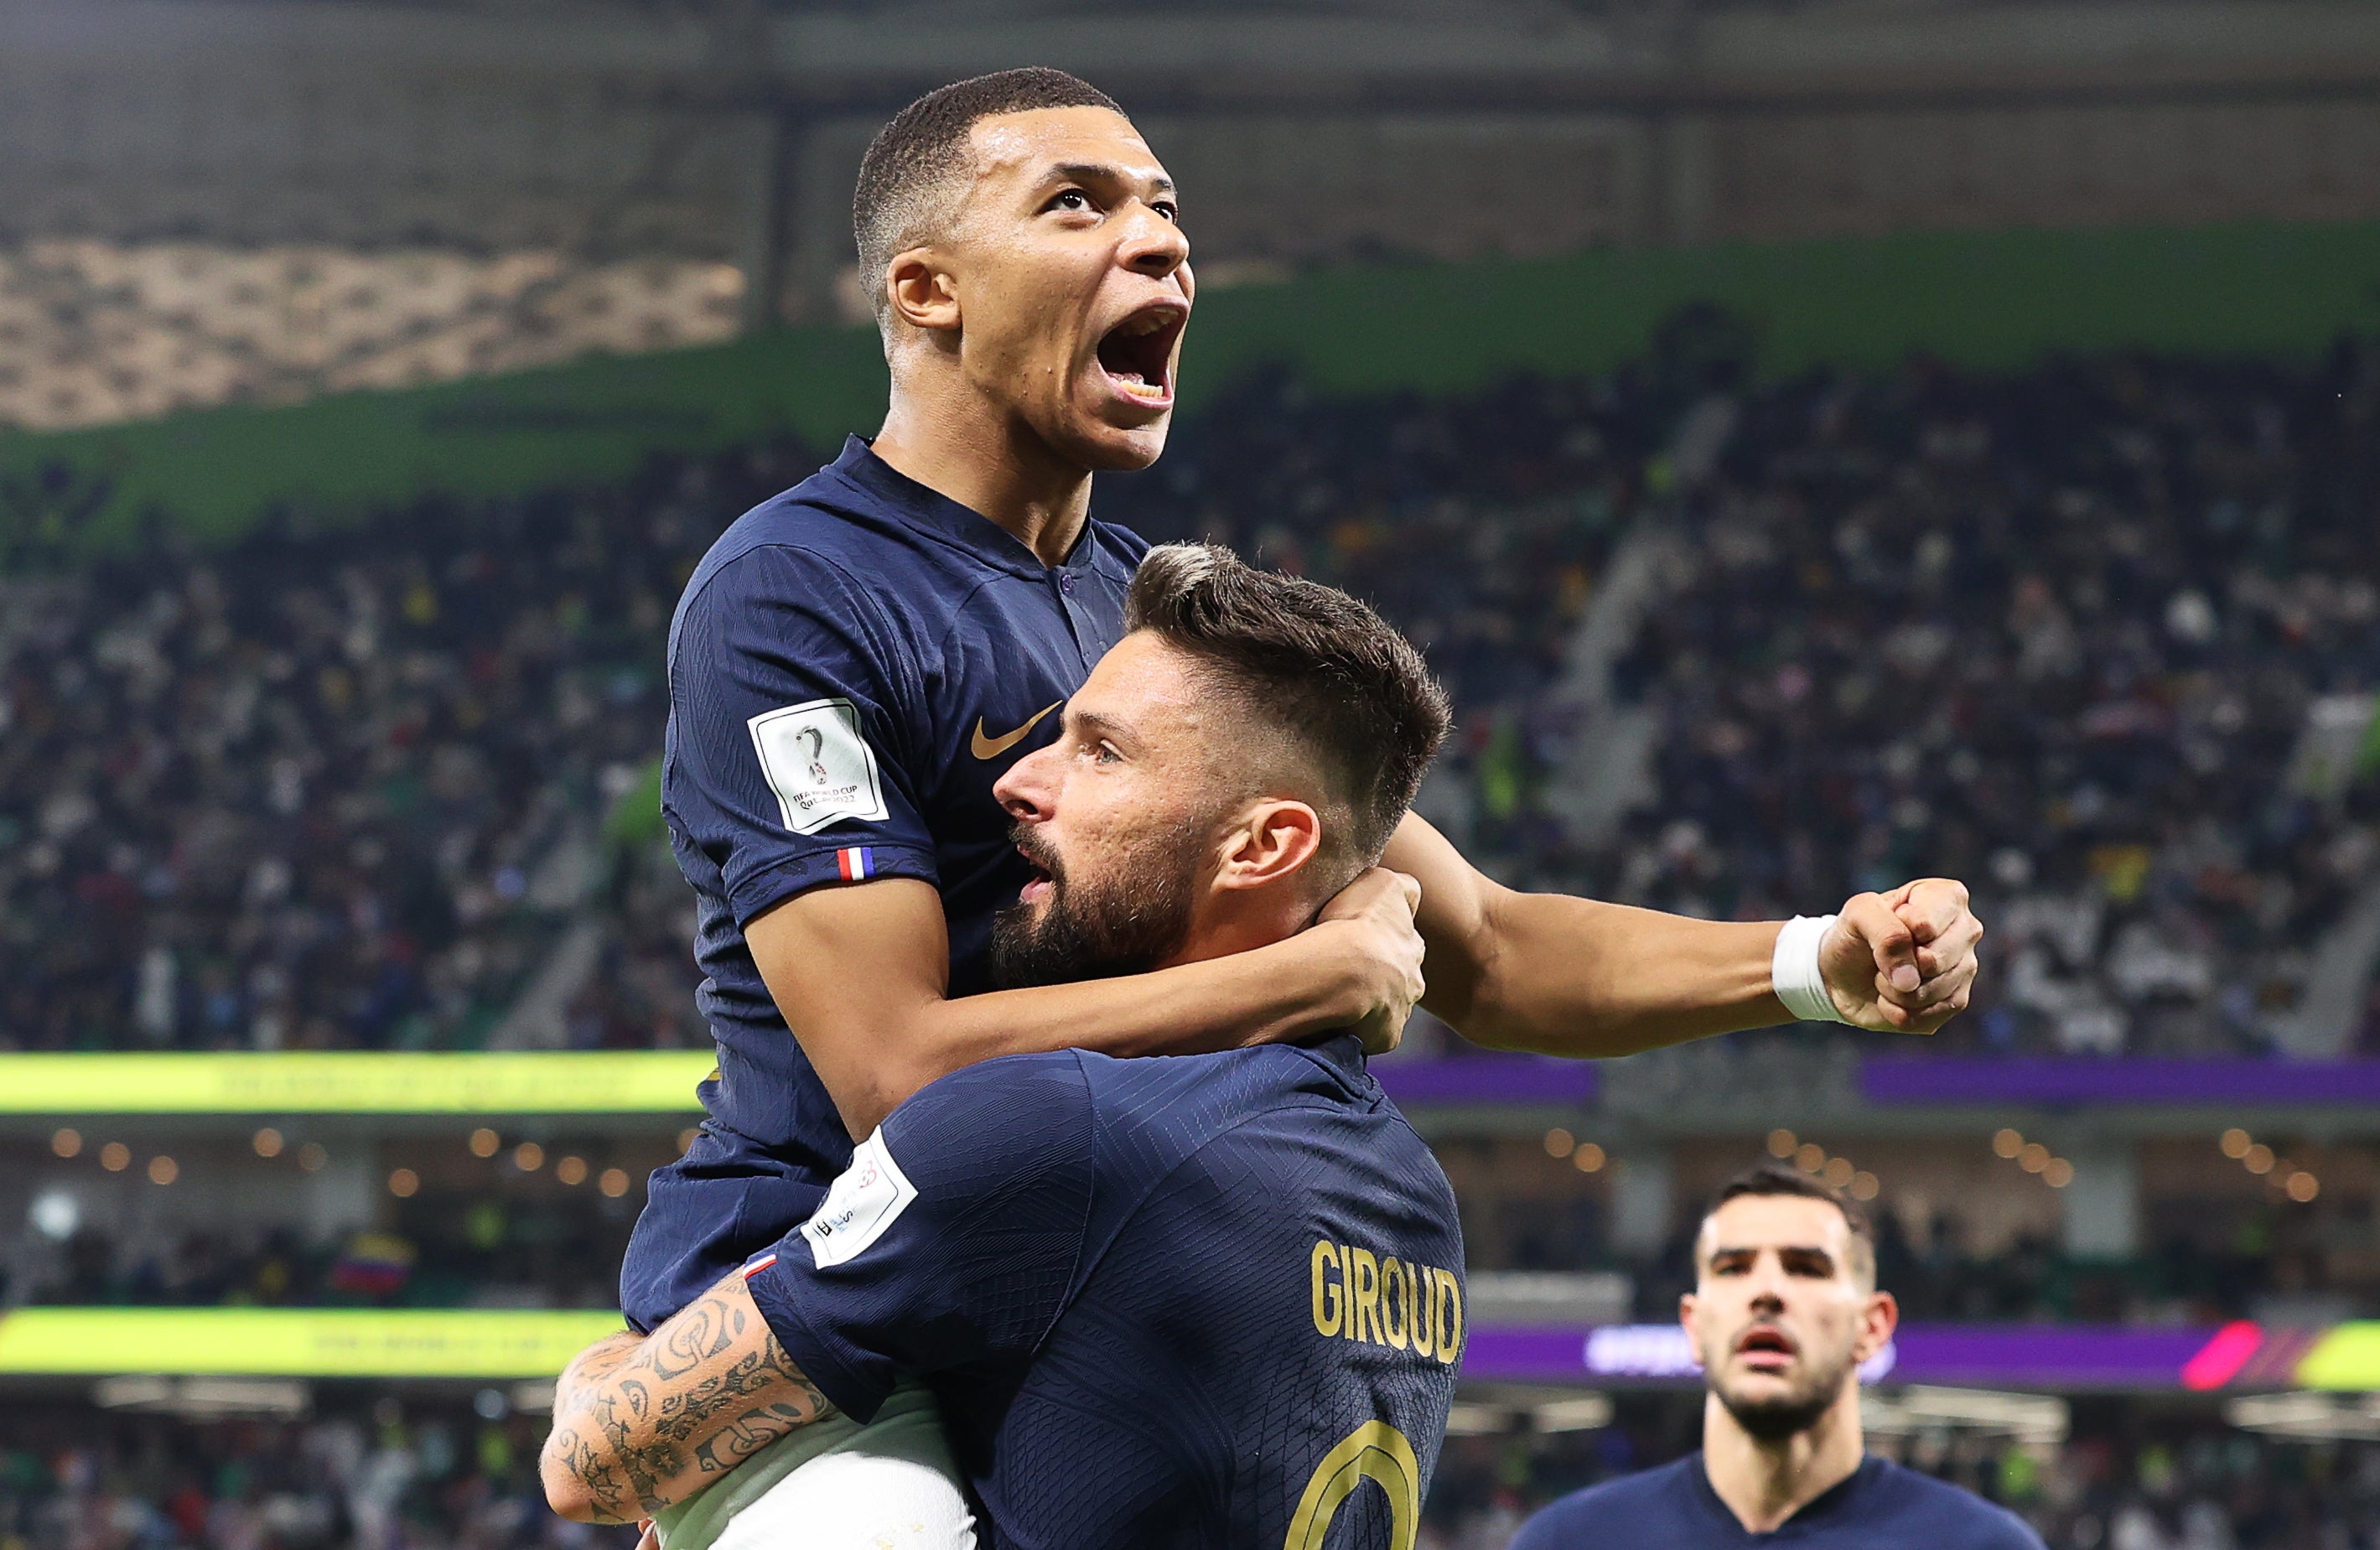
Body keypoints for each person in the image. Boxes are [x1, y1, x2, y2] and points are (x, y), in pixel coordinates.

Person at [605, 60, 1982, 1542]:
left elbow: (1494, 950)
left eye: (1165, 209)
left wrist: (1810, 963)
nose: (1157, 240)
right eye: (1076, 203)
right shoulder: (793, 591)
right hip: (833, 1285)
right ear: (925, 287)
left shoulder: (1138, 623)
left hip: (1103, 1256)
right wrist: (1302, 971)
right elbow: (893, 1065)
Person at [544, 545, 1465, 1547]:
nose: (1019, 783)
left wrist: (599, 1368)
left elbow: (594, 1462)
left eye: (1100, 752)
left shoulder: (1042, 1126)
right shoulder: (1412, 1194)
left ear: (1260, 846)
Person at [1508, 1164, 2046, 1549]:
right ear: (1694, 1326)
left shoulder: (1981, 1542)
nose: (1766, 1291)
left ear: (1872, 1326)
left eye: (1806, 1268)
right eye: (1734, 1268)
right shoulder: (1568, 1540)